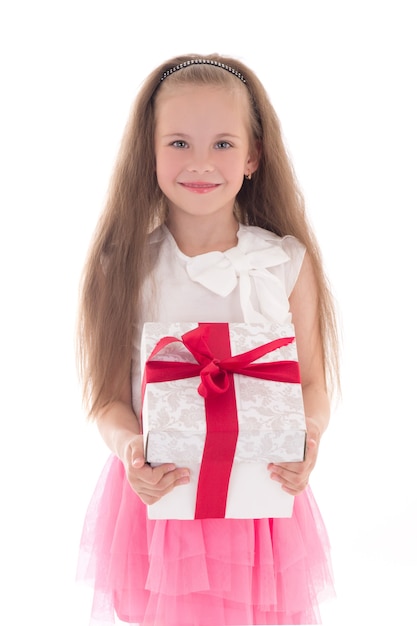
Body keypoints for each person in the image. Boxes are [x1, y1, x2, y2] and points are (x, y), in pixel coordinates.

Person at [76, 53, 339, 626]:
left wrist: (310, 437)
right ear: (147, 154)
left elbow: (312, 384)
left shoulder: (285, 263)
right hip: (159, 495)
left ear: (253, 156)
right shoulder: (121, 266)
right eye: (177, 143)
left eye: (223, 143)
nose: (200, 162)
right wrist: (129, 451)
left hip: (260, 502)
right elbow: (107, 399)